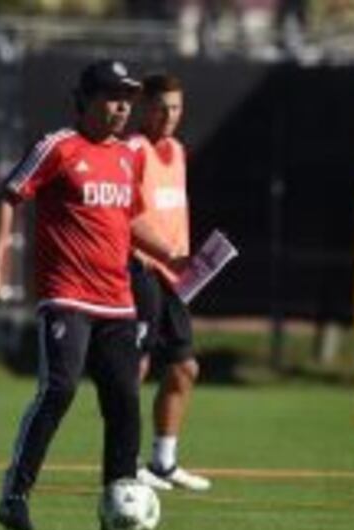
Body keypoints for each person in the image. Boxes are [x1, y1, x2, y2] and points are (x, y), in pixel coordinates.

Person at [0, 60, 185, 530]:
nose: (121, 108)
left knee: (125, 400)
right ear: (85, 100)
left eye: (127, 99)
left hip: (117, 300)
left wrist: (169, 251)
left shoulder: (129, 157)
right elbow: (8, 196)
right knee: (60, 389)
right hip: (66, 295)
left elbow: (126, 219)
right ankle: (15, 495)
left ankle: (121, 498)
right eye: (112, 98)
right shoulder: (58, 147)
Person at [128, 72, 211, 492]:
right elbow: (125, 216)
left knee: (184, 368)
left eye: (176, 107)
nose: (169, 115)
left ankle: (163, 462)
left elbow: (172, 212)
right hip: (139, 269)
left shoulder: (176, 151)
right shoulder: (133, 149)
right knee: (136, 365)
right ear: (143, 107)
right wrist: (162, 253)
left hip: (174, 276)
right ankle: (125, 463)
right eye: (161, 107)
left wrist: (190, 262)